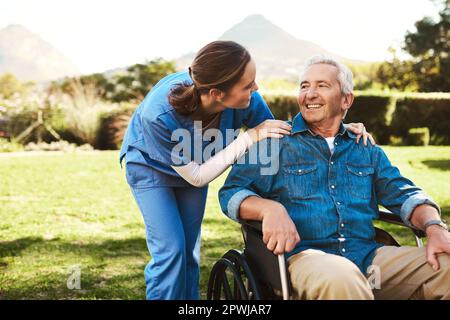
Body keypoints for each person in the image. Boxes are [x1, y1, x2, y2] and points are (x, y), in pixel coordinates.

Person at [120, 41, 372, 300]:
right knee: (171, 251)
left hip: (197, 163)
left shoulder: (249, 100)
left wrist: (339, 127)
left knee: (188, 252)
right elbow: (196, 177)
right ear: (218, 93)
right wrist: (249, 137)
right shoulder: (160, 115)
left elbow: (282, 138)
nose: (256, 88)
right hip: (151, 168)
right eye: (248, 85)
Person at [219, 55, 450, 300]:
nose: (310, 94)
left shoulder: (365, 148)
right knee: (343, 277)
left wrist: (434, 227)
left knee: (445, 265)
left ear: (346, 100)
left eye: (322, 85)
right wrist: (269, 208)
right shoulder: (274, 143)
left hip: (368, 260)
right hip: (305, 260)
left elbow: (405, 194)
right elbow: (231, 192)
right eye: (304, 86)